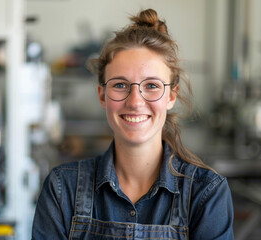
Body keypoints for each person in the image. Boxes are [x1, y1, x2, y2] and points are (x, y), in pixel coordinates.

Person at [32, 8, 234, 239]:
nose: (135, 102)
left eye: (151, 86)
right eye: (120, 85)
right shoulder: (62, 188)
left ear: (171, 96)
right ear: (102, 95)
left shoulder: (206, 193)